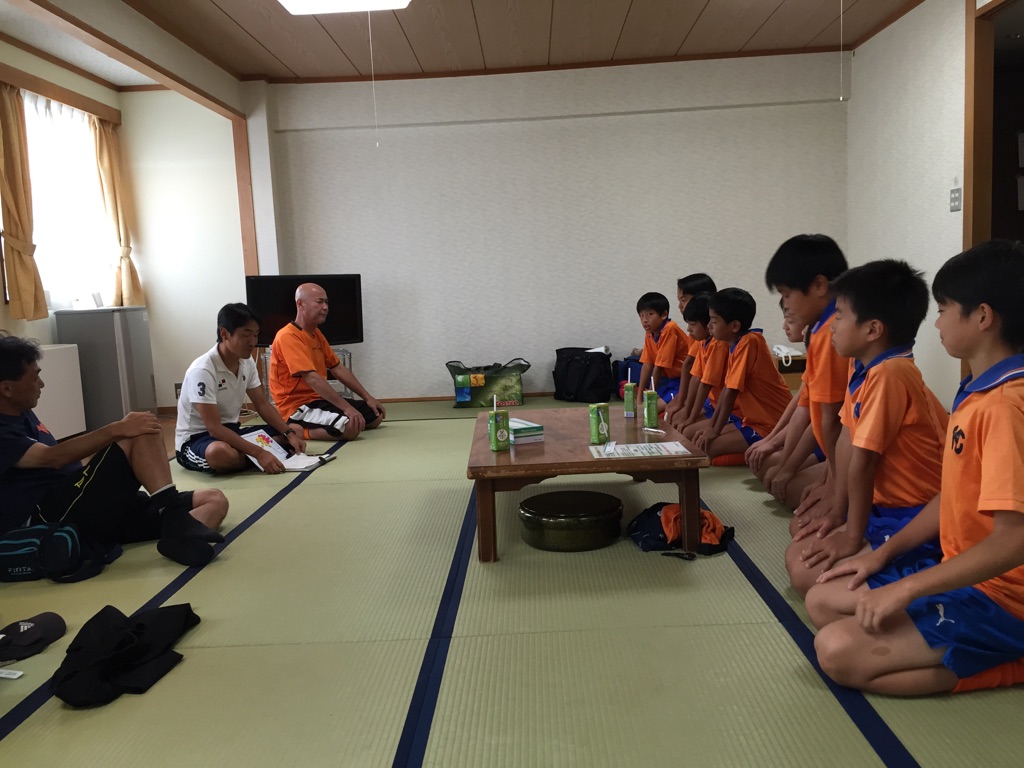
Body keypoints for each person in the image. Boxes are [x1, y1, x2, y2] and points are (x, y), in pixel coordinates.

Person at [807, 240, 1024, 696]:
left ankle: (1011, 662)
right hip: (963, 571)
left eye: (944, 310)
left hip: (1006, 597)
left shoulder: (1005, 407)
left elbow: (1015, 539)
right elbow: (953, 497)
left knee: (836, 650)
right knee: (824, 602)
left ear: (983, 317)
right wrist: (881, 556)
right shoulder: (979, 392)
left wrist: (907, 589)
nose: (937, 322)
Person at [784, 260, 947, 597]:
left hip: (912, 512)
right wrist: (837, 505)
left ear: (872, 330)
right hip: (882, 506)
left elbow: (864, 460)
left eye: (839, 316)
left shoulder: (890, 374)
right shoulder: (864, 367)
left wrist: (851, 536)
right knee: (799, 535)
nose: (831, 326)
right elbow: (846, 439)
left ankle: (927, 576)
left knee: (804, 575)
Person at [0, 333, 227, 568]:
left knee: (214, 500)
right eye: (35, 377)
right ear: (7, 388)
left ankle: (177, 536)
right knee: (138, 431)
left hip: (89, 507)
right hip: (53, 517)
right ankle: (175, 518)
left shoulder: (22, 412)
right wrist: (117, 429)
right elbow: (51, 458)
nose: (41, 384)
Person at [762, 235, 849, 516]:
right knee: (773, 472)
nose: (785, 304)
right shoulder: (821, 329)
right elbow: (808, 408)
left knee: (793, 503)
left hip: (858, 453)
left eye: (787, 294)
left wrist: (833, 485)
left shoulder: (831, 333)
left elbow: (831, 420)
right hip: (842, 448)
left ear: (819, 286)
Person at [176, 303, 307, 474]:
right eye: (246, 335)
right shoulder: (203, 370)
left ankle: (245, 458)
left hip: (232, 432)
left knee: (295, 431)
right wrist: (259, 453)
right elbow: (214, 428)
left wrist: (288, 433)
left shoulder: (247, 362)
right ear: (224, 333)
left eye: (256, 335)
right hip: (198, 439)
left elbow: (262, 405)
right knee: (220, 453)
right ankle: (261, 456)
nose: (252, 342)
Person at [270, 283, 385, 441]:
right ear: (300, 304)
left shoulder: (316, 333)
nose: (325, 307)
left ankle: (329, 423)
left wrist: (368, 397)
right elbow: (312, 378)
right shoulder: (288, 336)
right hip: (297, 406)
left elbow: (337, 368)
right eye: (319, 302)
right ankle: (300, 431)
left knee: (376, 415)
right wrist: (347, 408)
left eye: (326, 302)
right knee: (350, 427)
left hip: (319, 400)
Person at [686, 288, 792, 458]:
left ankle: (776, 449)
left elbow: (730, 391)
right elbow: (725, 391)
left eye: (714, 321)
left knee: (706, 449)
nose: (709, 326)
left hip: (772, 423)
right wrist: (712, 427)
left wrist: (714, 430)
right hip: (753, 420)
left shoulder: (749, 342)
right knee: (697, 440)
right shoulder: (733, 345)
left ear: (734, 326)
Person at [746, 302, 817, 480]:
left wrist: (786, 464)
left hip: (825, 440)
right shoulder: (815, 354)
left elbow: (818, 419)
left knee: (769, 468)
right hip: (801, 430)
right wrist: (771, 440)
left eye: (790, 320)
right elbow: (800, 402)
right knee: (763, 463)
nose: (784, 326)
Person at [669, 292, 727, 432]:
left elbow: (705, 384)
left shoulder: (719, 344)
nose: (688, 330)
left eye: (693, 324)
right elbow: (696, 377)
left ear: (708, 324)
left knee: (687, 431)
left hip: (727, 406)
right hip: (713, 402)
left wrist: (691, 417)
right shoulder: (703, 342)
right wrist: (686, 411)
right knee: (676, 418)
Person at [666, 274, 718, 425]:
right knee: (670, 415)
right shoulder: (700, 334)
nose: (679, 306)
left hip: (710, 395)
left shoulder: (711, 337)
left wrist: (683, 405)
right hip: (694, 388)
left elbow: (690, 366)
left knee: (677, 420)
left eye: (683, 300)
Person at [635, 292, 689, 415]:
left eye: (650, 314)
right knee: (642, 408)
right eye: (641, 315)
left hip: (684, 381)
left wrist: (649, 397)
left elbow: (659, 367)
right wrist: (639, 398)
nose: (645, 320)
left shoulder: (670, 329)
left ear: (664, 314)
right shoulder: (650, 333)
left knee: (650, 410)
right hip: (669, 380)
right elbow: (647, 364)